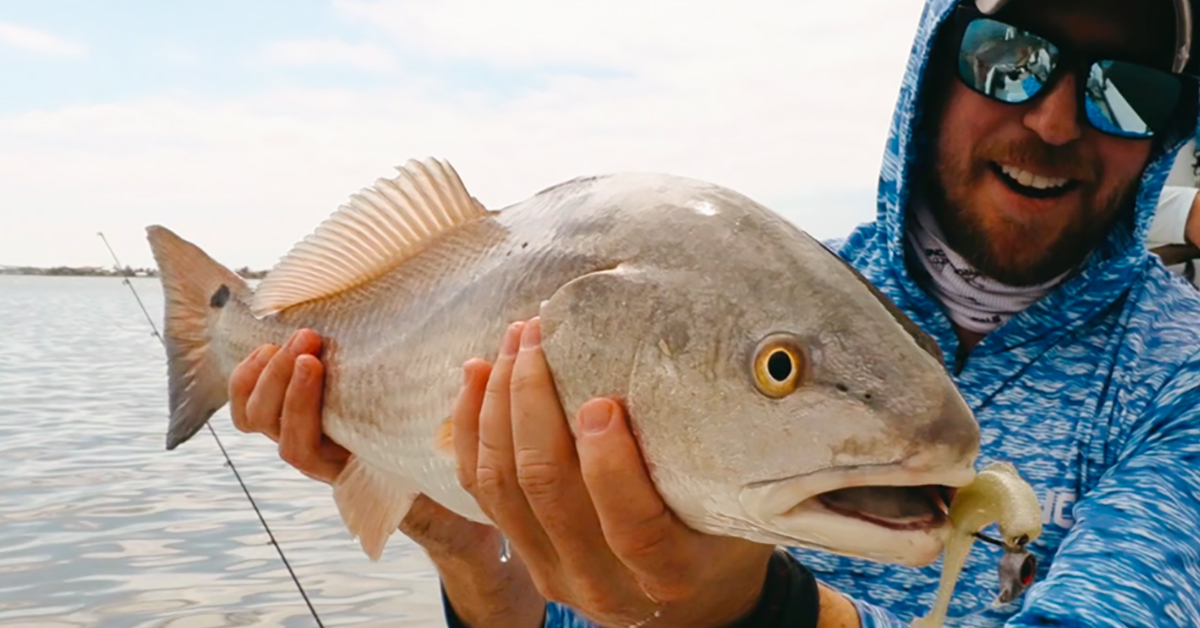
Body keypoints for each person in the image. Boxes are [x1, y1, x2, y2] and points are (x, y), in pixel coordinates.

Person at [226, 0, 1200, 626]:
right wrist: (466, 548)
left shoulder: (1182, 380)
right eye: (1011, 56)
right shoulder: (796, 282)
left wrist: (761, 612)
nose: (1057, 117)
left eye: (1130, 90)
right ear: (935, 60)